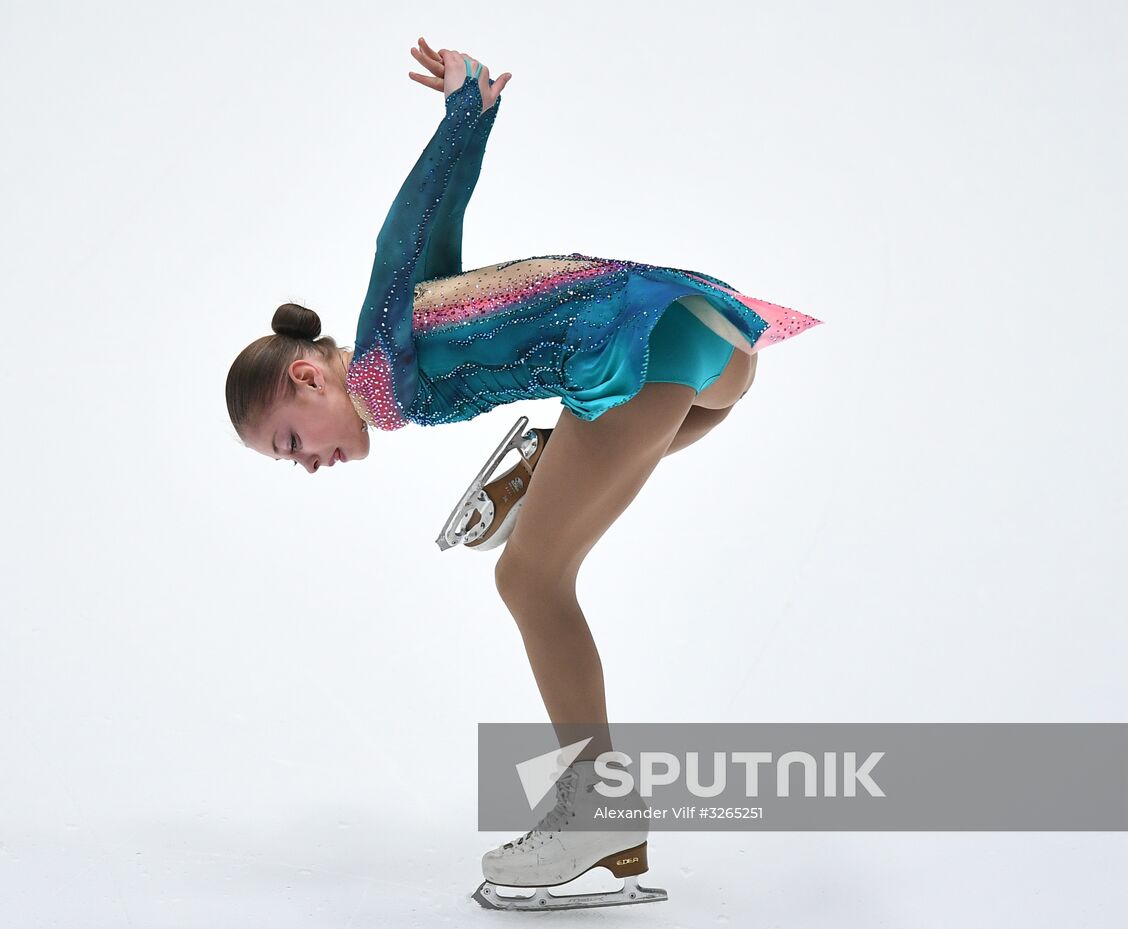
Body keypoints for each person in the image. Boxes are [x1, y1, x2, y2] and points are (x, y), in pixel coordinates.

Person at [224, 38, 822, 910]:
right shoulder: (411, 336)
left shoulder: (381, 376)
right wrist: (472, 115)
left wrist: (463, 113)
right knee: (553, 529)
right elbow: (434, 235)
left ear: (307, 377)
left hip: (640, 350)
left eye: (289, 442)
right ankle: (548, 463)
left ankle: (596, 811)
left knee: (529, 575)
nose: (307, 463)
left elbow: (399, 232)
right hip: (710, 352)